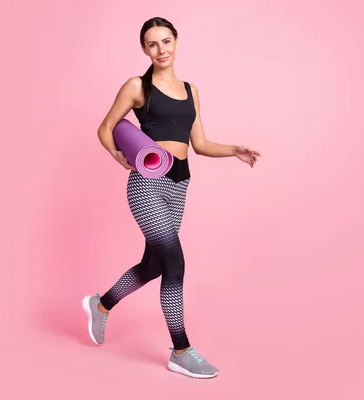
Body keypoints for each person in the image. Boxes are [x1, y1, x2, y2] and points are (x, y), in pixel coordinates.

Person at [82, 16, 261, 379]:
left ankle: (100, 306)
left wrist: (234, 150)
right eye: (152, 44)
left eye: (166, 41)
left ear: (176, 43)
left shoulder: (191, 90)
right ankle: (181, 350)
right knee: (175, 264)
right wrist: (120, 157)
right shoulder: (137, 86)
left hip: (179, 185)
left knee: (154, 266)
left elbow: (199, 144)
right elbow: (105, 128)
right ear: (144, 49)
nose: (160, 50)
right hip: (147, 184)